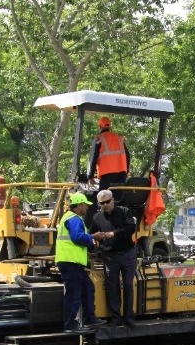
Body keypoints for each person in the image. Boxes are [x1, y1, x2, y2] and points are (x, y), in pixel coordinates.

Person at [56, 192, 108, 333]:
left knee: (87, 288)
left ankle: (90, 319)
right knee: (74, 293)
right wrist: (93, 236)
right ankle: (70, 325)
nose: (87, 208)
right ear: (79, 205)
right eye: (85, 205)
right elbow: (78, 238)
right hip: (71, 261)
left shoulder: (70, 217)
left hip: (72, 261)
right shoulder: (74, 219)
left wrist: (90, 242)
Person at [90, 190, 137, 327]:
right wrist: (94, 239)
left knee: (128, 285)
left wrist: (113, 234)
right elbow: (92, 233)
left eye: (107, 201)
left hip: (127, 253)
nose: (105, 205)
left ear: (113, 200)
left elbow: (130, 228)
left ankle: (129, 317)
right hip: (110, 257)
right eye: (102, 203)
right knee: (112, 287)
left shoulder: (124, 211)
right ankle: (115, 318)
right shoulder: (97, 217)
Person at [87, 116, 131, 199]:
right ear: (110, 126)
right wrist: (126, 172)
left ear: (100, 126)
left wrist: (90, 176)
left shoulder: (99, 139)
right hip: (121, 174)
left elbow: (93, 159)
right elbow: (128, 156)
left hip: (107, 175)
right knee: (117, 200)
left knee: (103, 199)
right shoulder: (119, 139)